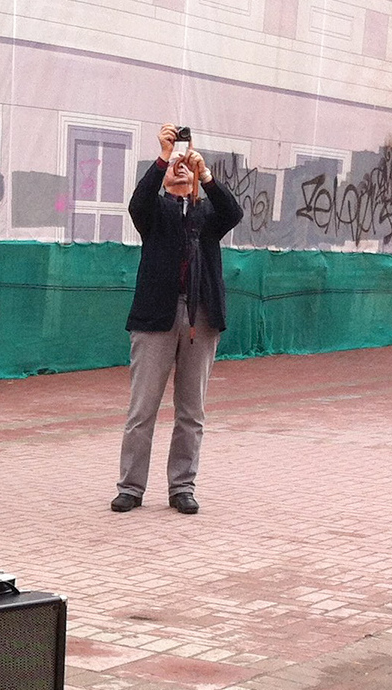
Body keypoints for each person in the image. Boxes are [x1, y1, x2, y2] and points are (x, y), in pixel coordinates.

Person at [112, 123, 243, 515]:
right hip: (155, 318)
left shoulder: (206, 214)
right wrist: (165, 154)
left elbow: (233, 212)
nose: (180, 168)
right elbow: (138, 202)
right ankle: (130, 488)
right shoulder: (155, 212)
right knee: (142, 410)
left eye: (186, 163)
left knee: (191, 411)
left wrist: (207, 175)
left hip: (200, 318)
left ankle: (182, 487)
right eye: (174, 166)